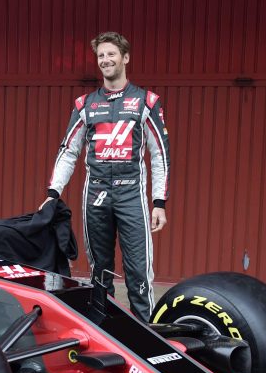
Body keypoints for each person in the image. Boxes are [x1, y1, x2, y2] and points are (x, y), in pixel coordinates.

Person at [42, 31, 170, 321]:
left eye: (111, 54)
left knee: (139, 272)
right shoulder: (85, 104)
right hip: (96, 195)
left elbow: (160, 154)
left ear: (125, 58)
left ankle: (146, 336)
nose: (105, 60)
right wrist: (53, 193)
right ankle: (105, 332)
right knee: (99, 272)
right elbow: (69, 151)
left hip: (132, 195)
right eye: (101, 55)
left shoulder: (146, 101)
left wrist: (159, 201)